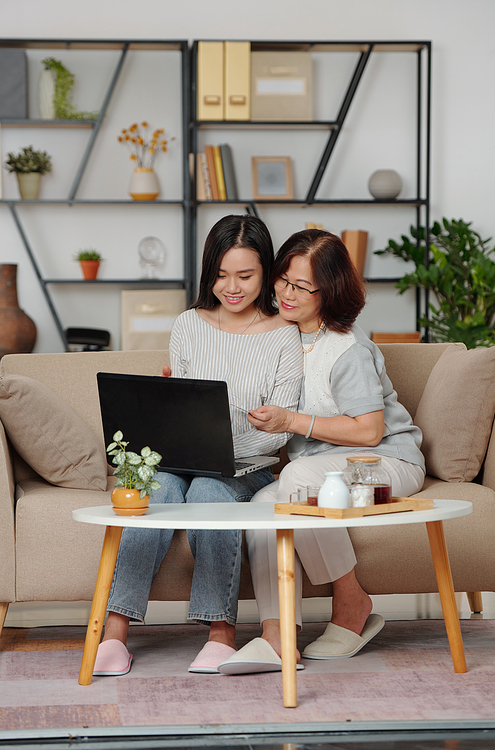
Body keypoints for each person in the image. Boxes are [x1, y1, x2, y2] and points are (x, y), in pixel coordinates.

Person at [93, 215, 303, 677]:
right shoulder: (189, 324)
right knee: (159, 489)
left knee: (209, 493)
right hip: (181, 460)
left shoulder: (284, 334)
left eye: (245, 276)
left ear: (266, 273)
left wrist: (246, 426)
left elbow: (282, 429)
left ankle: (220, 633)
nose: (232, 287)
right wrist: (172, 404)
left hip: (246, 466)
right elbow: (179, 405)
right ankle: (114, 633)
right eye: (221, 275)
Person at [217, 228, 425, 675]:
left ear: (328, 291)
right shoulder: (279, 337)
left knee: (298, 479)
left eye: (302, 287)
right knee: (261, 506)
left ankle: (352, 602)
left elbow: (370, 430)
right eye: (282, 281)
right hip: (323, 471)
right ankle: (277, 636)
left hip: (387, 463)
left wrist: (292, 421)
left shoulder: (346, 348)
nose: (287, 294)